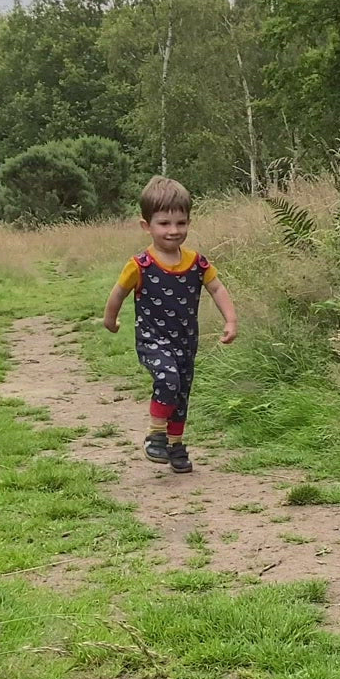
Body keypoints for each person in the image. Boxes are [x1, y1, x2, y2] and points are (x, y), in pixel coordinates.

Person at [102, 176, 237, 473]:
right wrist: (110, 320)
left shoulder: (196, 262)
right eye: (164, 223)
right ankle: (155, 434)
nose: (173, 231)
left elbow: (216, 288)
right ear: (146, 226)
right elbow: (118, 292)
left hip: (186, 341)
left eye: (181, 223)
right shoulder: (141, 265)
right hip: (153, 339)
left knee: (181, 393)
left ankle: (175, 446)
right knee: (167, 379)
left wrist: (230, 319)